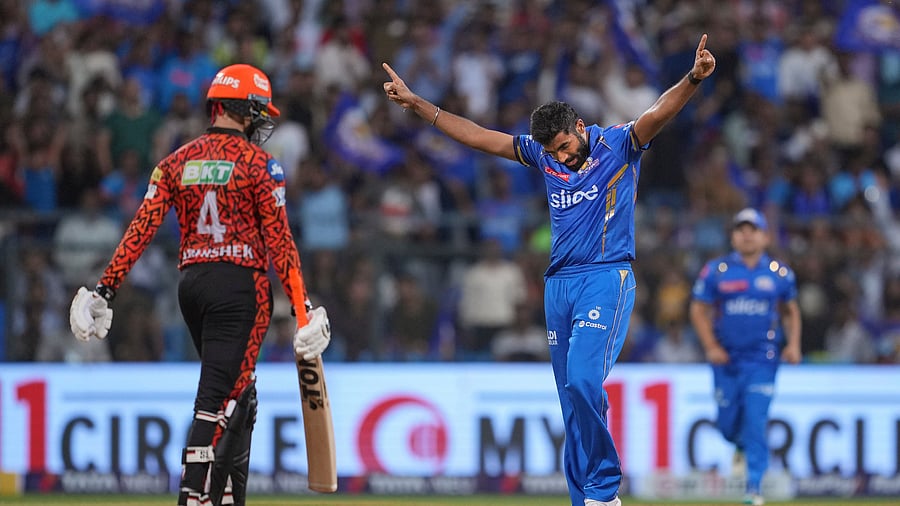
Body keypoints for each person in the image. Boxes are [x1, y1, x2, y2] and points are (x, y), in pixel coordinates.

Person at [384, 33, 717, 506]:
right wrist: (419, 105)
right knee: (571, 401)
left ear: (580, 127)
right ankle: (585, 500)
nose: (562, 157)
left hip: (606, 276)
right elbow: (480, 136)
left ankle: (604, 491)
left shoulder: (619, 145)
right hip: (558, 286)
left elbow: (658, 113)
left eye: (565, 146)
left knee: (584, 381)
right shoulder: (541, 153)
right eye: (554, 152)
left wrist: (693, 78)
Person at [67, 63, 331, 506]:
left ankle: (228, 497)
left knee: (238, 393)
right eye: (259, 110)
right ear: (244, 109)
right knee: (219, 398)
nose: (263, 120)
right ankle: (194, 497)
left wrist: (104, 290)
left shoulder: (175, 162)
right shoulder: (260, 165)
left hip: (191, 285)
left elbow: (142, 228)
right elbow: (280, 243)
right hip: (241, 288)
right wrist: (302, 310)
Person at [688, 208, 802, 506]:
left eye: (753, 229)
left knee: (755, 420)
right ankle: (741, 446)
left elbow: (790, 311)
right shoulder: (717, 270)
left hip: (763, 359)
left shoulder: (779, 273)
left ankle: (754, 489)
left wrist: (793, 345)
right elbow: (698, 309)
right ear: (733, 236)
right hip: (726, 361)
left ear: (765, 236)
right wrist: (711, 346)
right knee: (727, 425)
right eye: (741, 229)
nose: (747, 234)